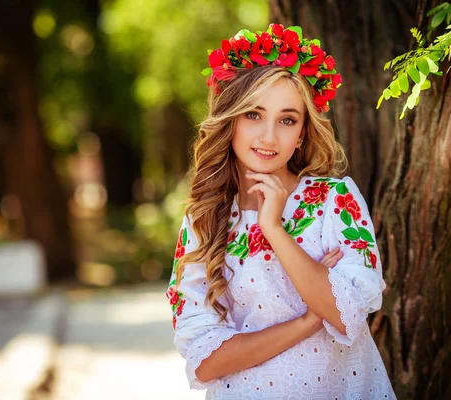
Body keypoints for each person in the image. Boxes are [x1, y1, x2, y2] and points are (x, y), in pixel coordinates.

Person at [166, 23, 397, 399]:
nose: (269, 136)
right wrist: (308, 320)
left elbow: (346, 316)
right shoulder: (203, 220)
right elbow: (204, 359)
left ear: (303, 132)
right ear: (231, 119)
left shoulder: (335, 199)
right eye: (253, 115)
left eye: (287, 120)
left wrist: (274, 228)